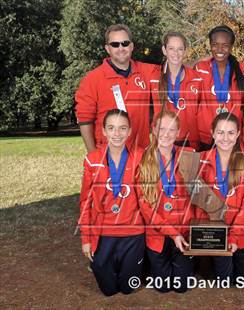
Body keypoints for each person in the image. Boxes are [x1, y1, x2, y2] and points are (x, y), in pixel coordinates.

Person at [78, 109, 145, 296]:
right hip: (103, 232)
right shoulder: (92, 160)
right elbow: (85, 202)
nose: (117, 133)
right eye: (112, 128)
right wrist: (86, 239)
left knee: (128, 288)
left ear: (130, 131)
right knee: (108, 290)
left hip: (133, 233)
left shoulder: (141, 157)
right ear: (104, 131)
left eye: (122, 128)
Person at [136, 110, 195, 293]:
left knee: (182, 287)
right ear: (153, 130)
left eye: (172, 130)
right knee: (162, 287)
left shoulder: (189, 156)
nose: (166, 135)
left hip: (183, 231)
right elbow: (146, 207)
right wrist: (171, 233)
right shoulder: (144, 159)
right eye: (162, 129)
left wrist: (189, 230)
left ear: (178, 132)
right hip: (157, 233)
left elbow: (197, 197)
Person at [196, 112, 244, 282]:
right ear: (212, 133)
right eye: (220, 132)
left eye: (231, 133)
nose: (225, 138)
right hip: (215, 235)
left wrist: (234, 237)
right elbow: (199, 204)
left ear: (238, 134)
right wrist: (210, 233)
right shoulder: (201, 161)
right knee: (220, 283)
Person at [75, 24, 154, 152]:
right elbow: (84, 120)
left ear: (132, 46)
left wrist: (198, 67)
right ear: (107, 48)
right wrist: (93, 156)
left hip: (141, 153)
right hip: (108, 155)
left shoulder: (146, 71)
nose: (121, 48)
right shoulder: (92, 79)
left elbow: (174, 70)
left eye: (125, 43)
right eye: (115, 44)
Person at [194, 25, 244, 150]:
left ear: (231, 47)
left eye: (225, 45)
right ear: (210, 45)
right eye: (215, 44)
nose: (219, 49)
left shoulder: (242, 70)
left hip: (230, 137)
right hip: (206, 136)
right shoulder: (201, 68)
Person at [150, 31, 201, 149]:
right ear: (164, 50)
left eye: (180, 49)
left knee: (185, 168)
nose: (176, 53)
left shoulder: (197, 78)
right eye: (171, 48)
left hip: (188, 143)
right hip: (162, 141)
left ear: (185, 51)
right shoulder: (153, 76)